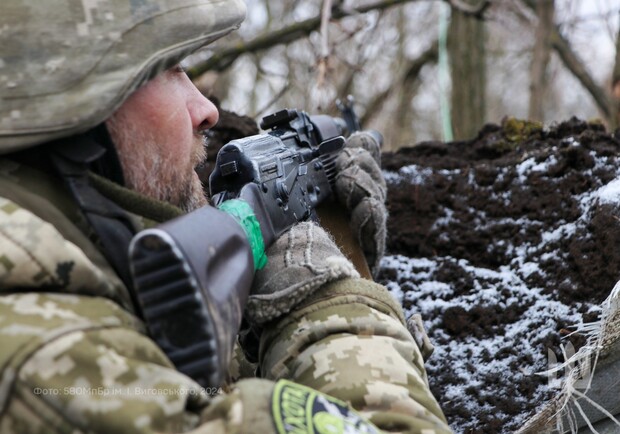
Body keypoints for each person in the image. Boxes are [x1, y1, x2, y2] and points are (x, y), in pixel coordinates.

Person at [0, 0, 452, 433]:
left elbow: (197, 386)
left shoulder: (67, 271)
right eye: (170, 69)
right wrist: (328, 298)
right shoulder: (49, 358)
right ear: (78, 110)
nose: (207, 110)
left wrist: (278, 296)